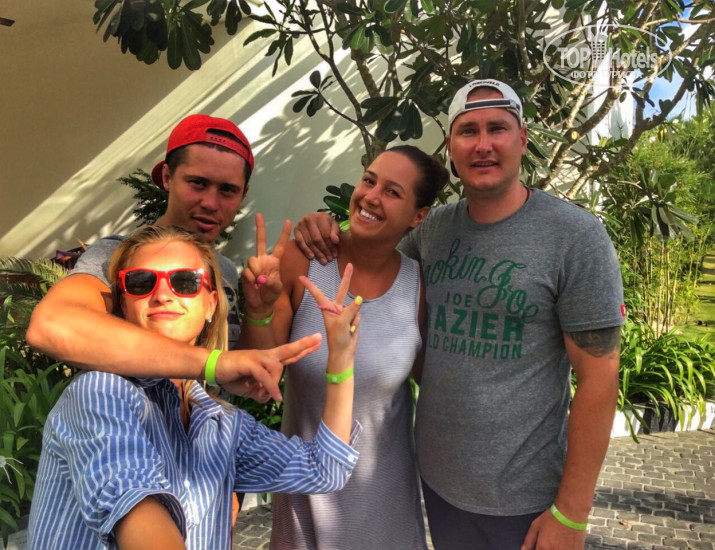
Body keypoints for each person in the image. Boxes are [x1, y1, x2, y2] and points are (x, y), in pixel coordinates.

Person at [294, 79, 625, 550]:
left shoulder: (575, 237)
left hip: (525, 499)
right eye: (468, 131)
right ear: (451, 146)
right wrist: (324, 227)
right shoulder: (432, 230)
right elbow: (372, 256)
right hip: (438, 484)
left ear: (523, 139)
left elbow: (599, 378)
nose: (483, 144)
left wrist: (572, 512)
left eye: (497, 128)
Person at [28, 225, 363, 550]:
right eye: (141, 282)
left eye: (184, 282)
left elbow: (325, 469)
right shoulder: (101, 394)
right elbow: (136, 511)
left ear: (211, 304)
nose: (162, 294)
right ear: (124, 303)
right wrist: (217, 363)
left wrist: (341, 358)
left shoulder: (219, 423)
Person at [258, 145, 449, 550]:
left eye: (392, 192)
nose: (371, 197)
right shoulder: (304, 262)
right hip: (308, 496)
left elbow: (435, 383)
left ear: (418, 216)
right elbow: (258, 376)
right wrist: (258, 308)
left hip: (386, 501)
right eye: (369, 181)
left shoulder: (416, 285)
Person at [27, 114, 288, 402]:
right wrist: (209, 364)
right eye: (197, 183)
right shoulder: (115, 255)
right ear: (167, 177)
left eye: (227, 190)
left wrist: (259, 311)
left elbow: (244, 380)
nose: (211, 203)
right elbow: (51, 324)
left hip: (204, 428)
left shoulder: (223, 270)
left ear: (243, 193)